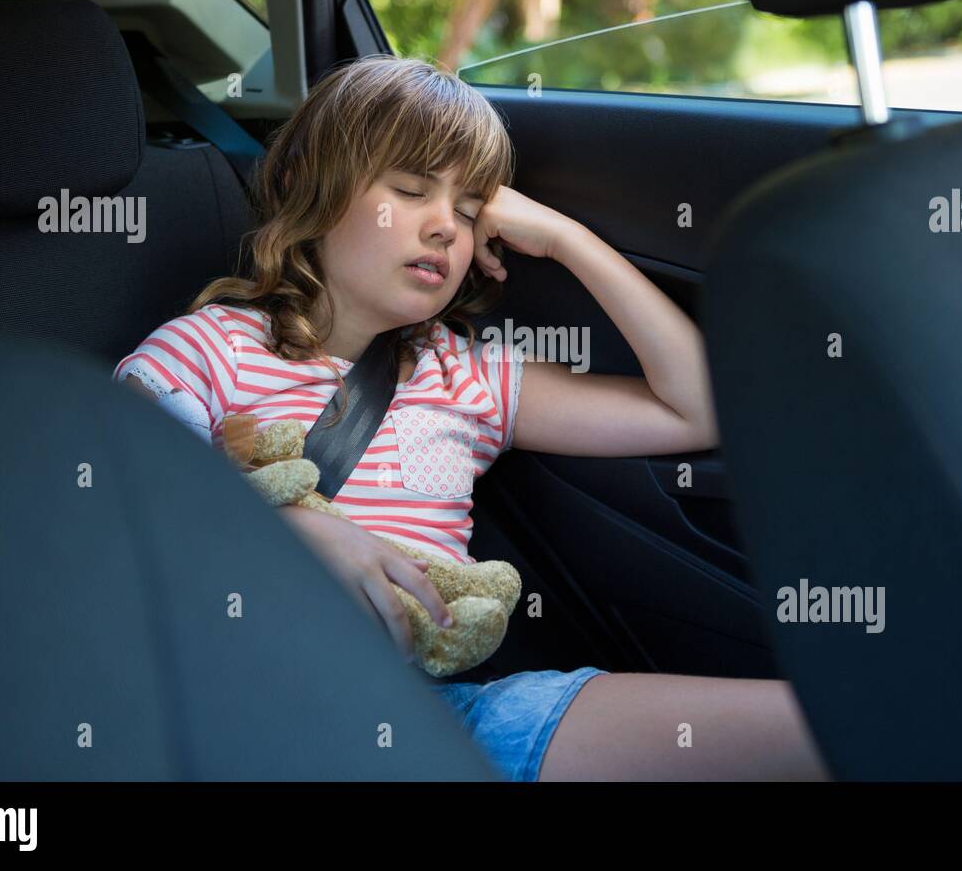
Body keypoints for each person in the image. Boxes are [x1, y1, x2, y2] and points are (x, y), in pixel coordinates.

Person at [114, 54, 829, 782]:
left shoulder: (466, 375)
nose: (444, 228)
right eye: (411, 191)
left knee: (841, 728)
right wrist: (287, 529)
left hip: (444, 717)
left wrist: (564, 238)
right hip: (243, 719)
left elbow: (696, 407)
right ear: (307, 184)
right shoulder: (212, 347)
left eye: (467, 210)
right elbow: (125, 493)